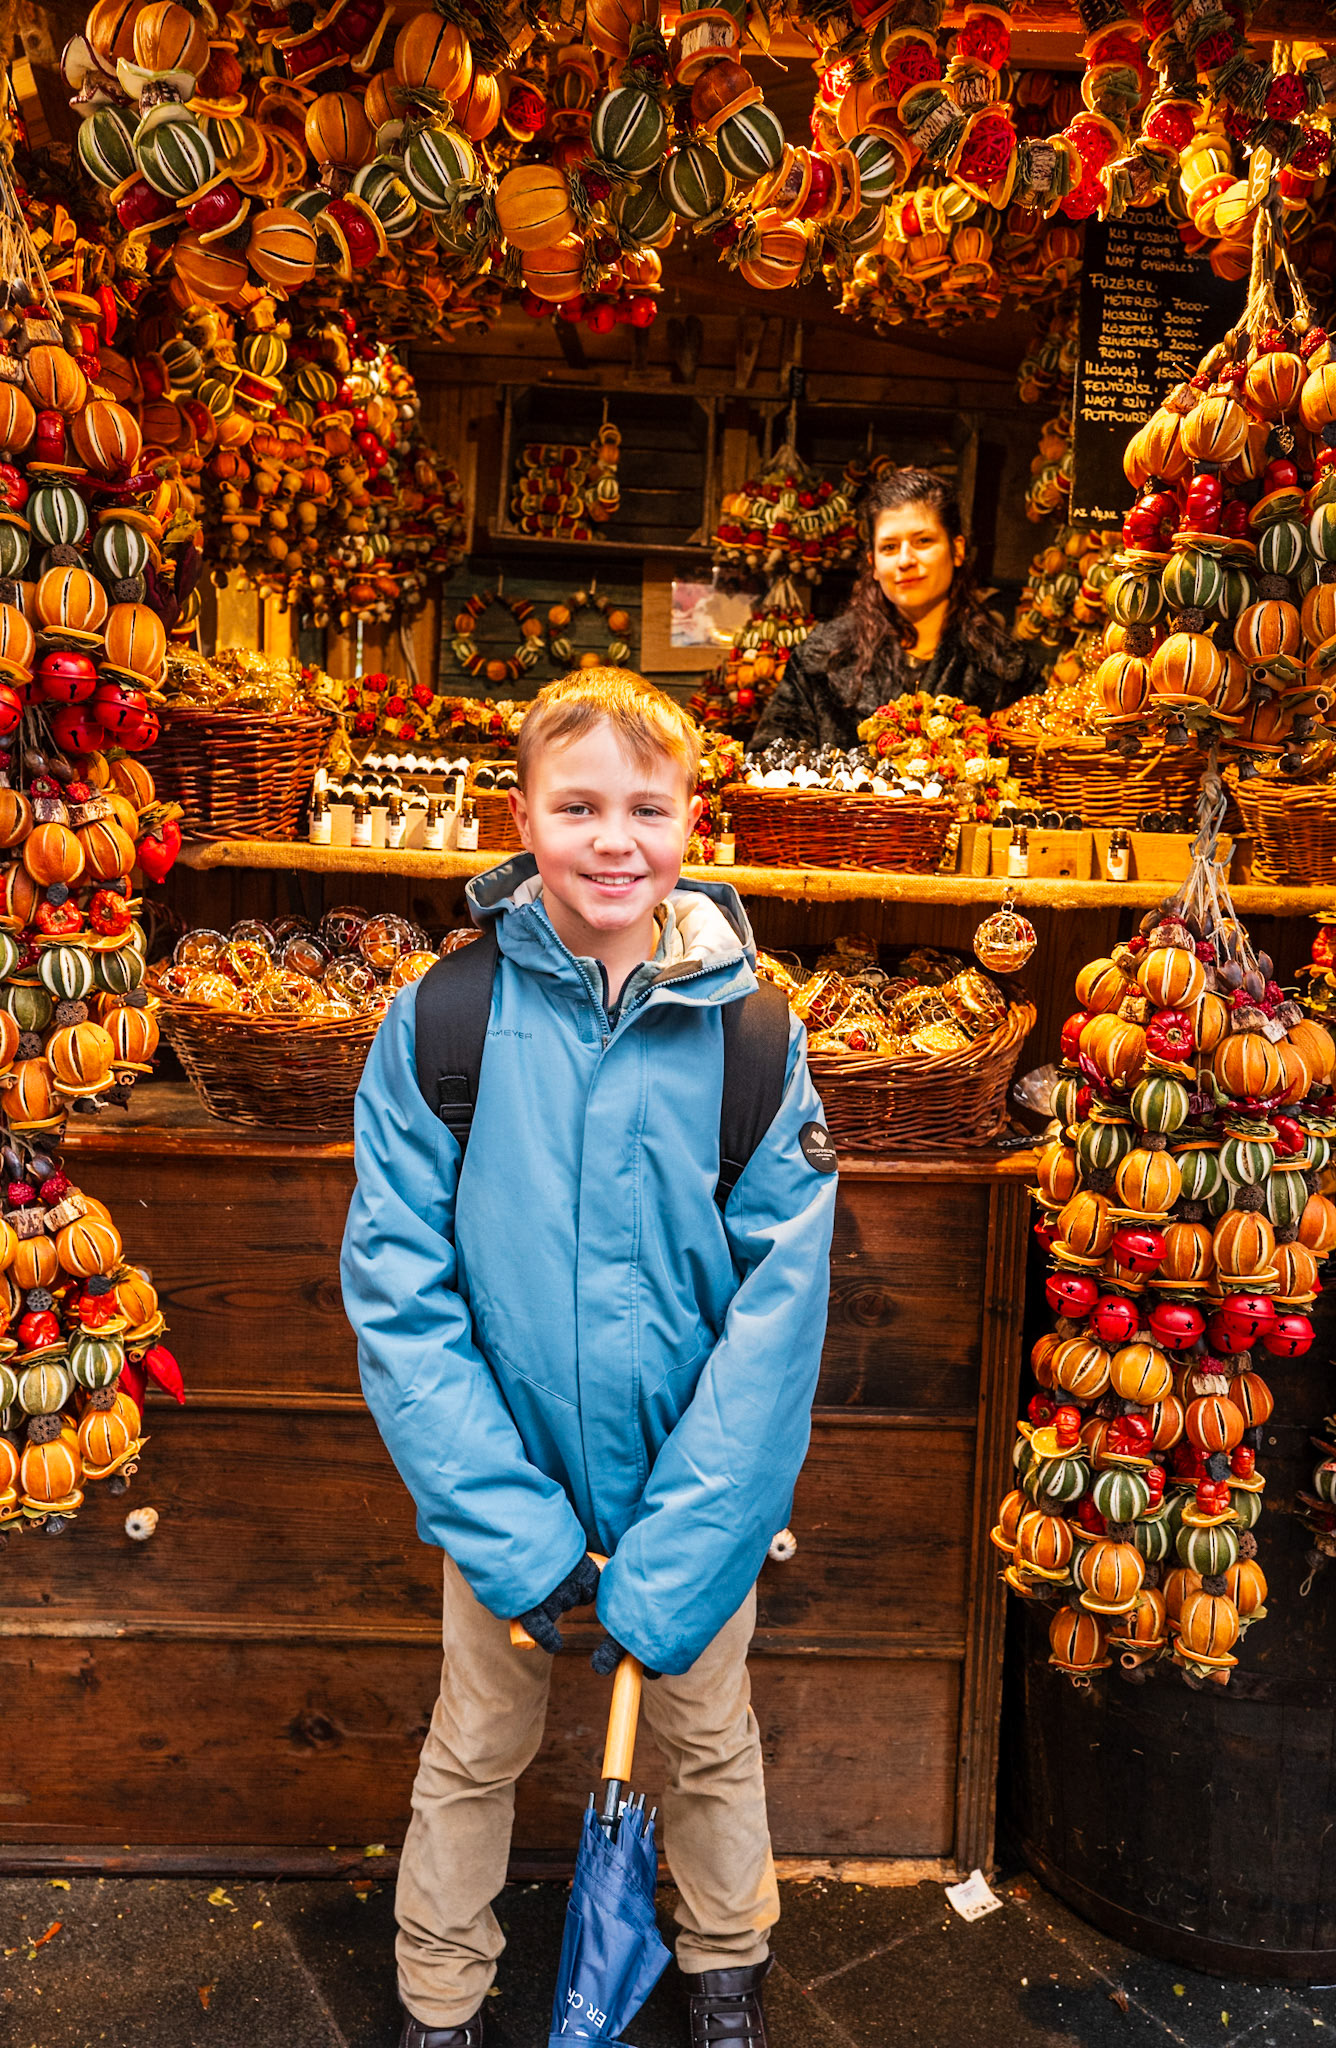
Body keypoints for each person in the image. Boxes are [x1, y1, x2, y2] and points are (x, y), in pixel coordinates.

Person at [341, 669, 837, 2048]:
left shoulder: (751, 1035)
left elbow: (779, 1306)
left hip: (692, 1481)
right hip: (505, 1476)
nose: (613, 839)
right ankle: (440, 1993)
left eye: (645, 808)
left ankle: (725, 1964)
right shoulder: (444, 1024)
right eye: (576, 807)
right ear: (521, 818)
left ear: (690, 820)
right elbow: (399, 1289)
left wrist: (693, 1534)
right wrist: (509, 1523)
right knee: (475, 1743)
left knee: (707, 1738)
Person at [751, 466, 1037, 751]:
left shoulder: (1004, 668)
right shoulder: (823, 658)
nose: (905, 560)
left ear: (957, 549)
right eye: (889, 547)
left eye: (923, 541)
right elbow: (769, 755)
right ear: (873, 563)